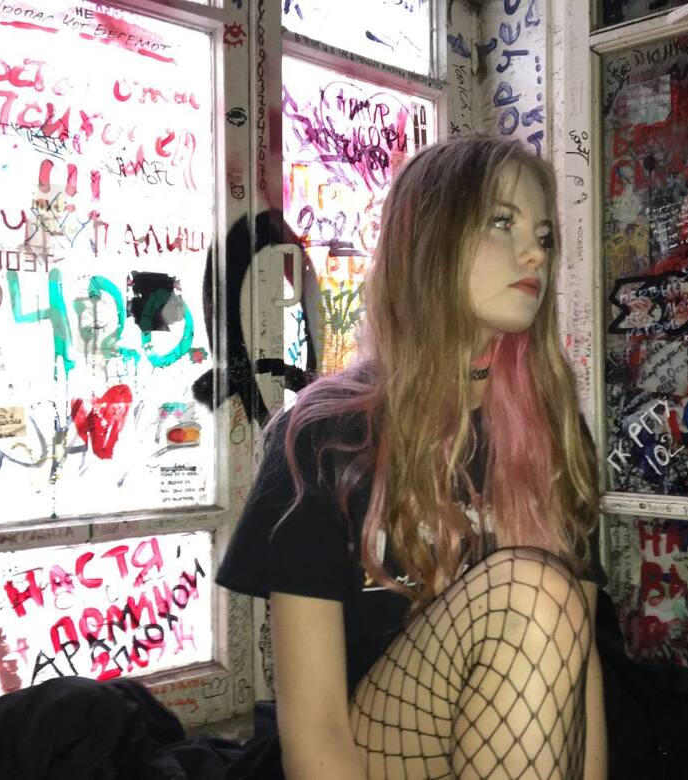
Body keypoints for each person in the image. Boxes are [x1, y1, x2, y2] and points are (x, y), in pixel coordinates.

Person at [217, 135, 606, 780]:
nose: (536, 252)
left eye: (543, 235)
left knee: (546, 599)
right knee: (532, 591)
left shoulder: (553, 434)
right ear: (429, 240)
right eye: (501, 222)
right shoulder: (323, 436)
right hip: (365, 751)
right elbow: (315, 731)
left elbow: (578, 681)